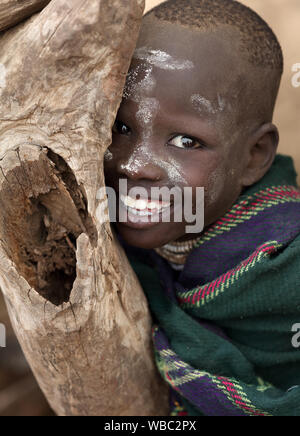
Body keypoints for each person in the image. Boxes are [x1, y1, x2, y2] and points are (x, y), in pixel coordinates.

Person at [104, 0, 300, 416]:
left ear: (254, 157)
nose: (134, 164)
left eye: (185, 142)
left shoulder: (287, 264)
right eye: (121, 128)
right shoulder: (92, 235)